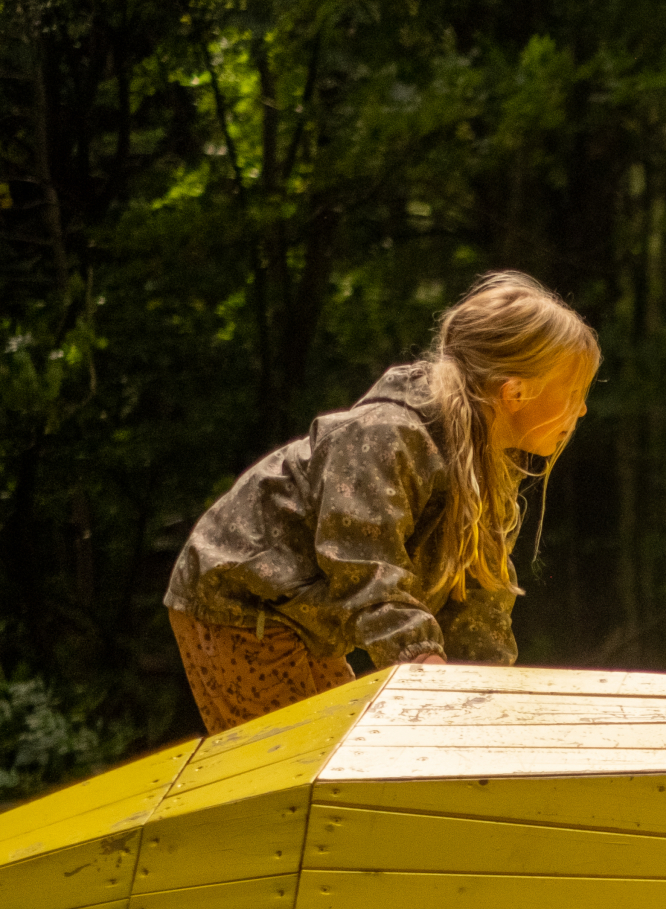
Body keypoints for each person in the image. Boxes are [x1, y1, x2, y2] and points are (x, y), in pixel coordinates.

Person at [164, 270, 599, 732]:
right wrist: (424, 664)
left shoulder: (484, 465)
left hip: (304, 620)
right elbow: (364, 567)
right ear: (515, 393)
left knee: (336, 754)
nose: (583, 409)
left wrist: (487, 701)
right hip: (242, 603)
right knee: (296, 764)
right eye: (574, 393)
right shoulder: (384, 436)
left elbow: (478, 596)